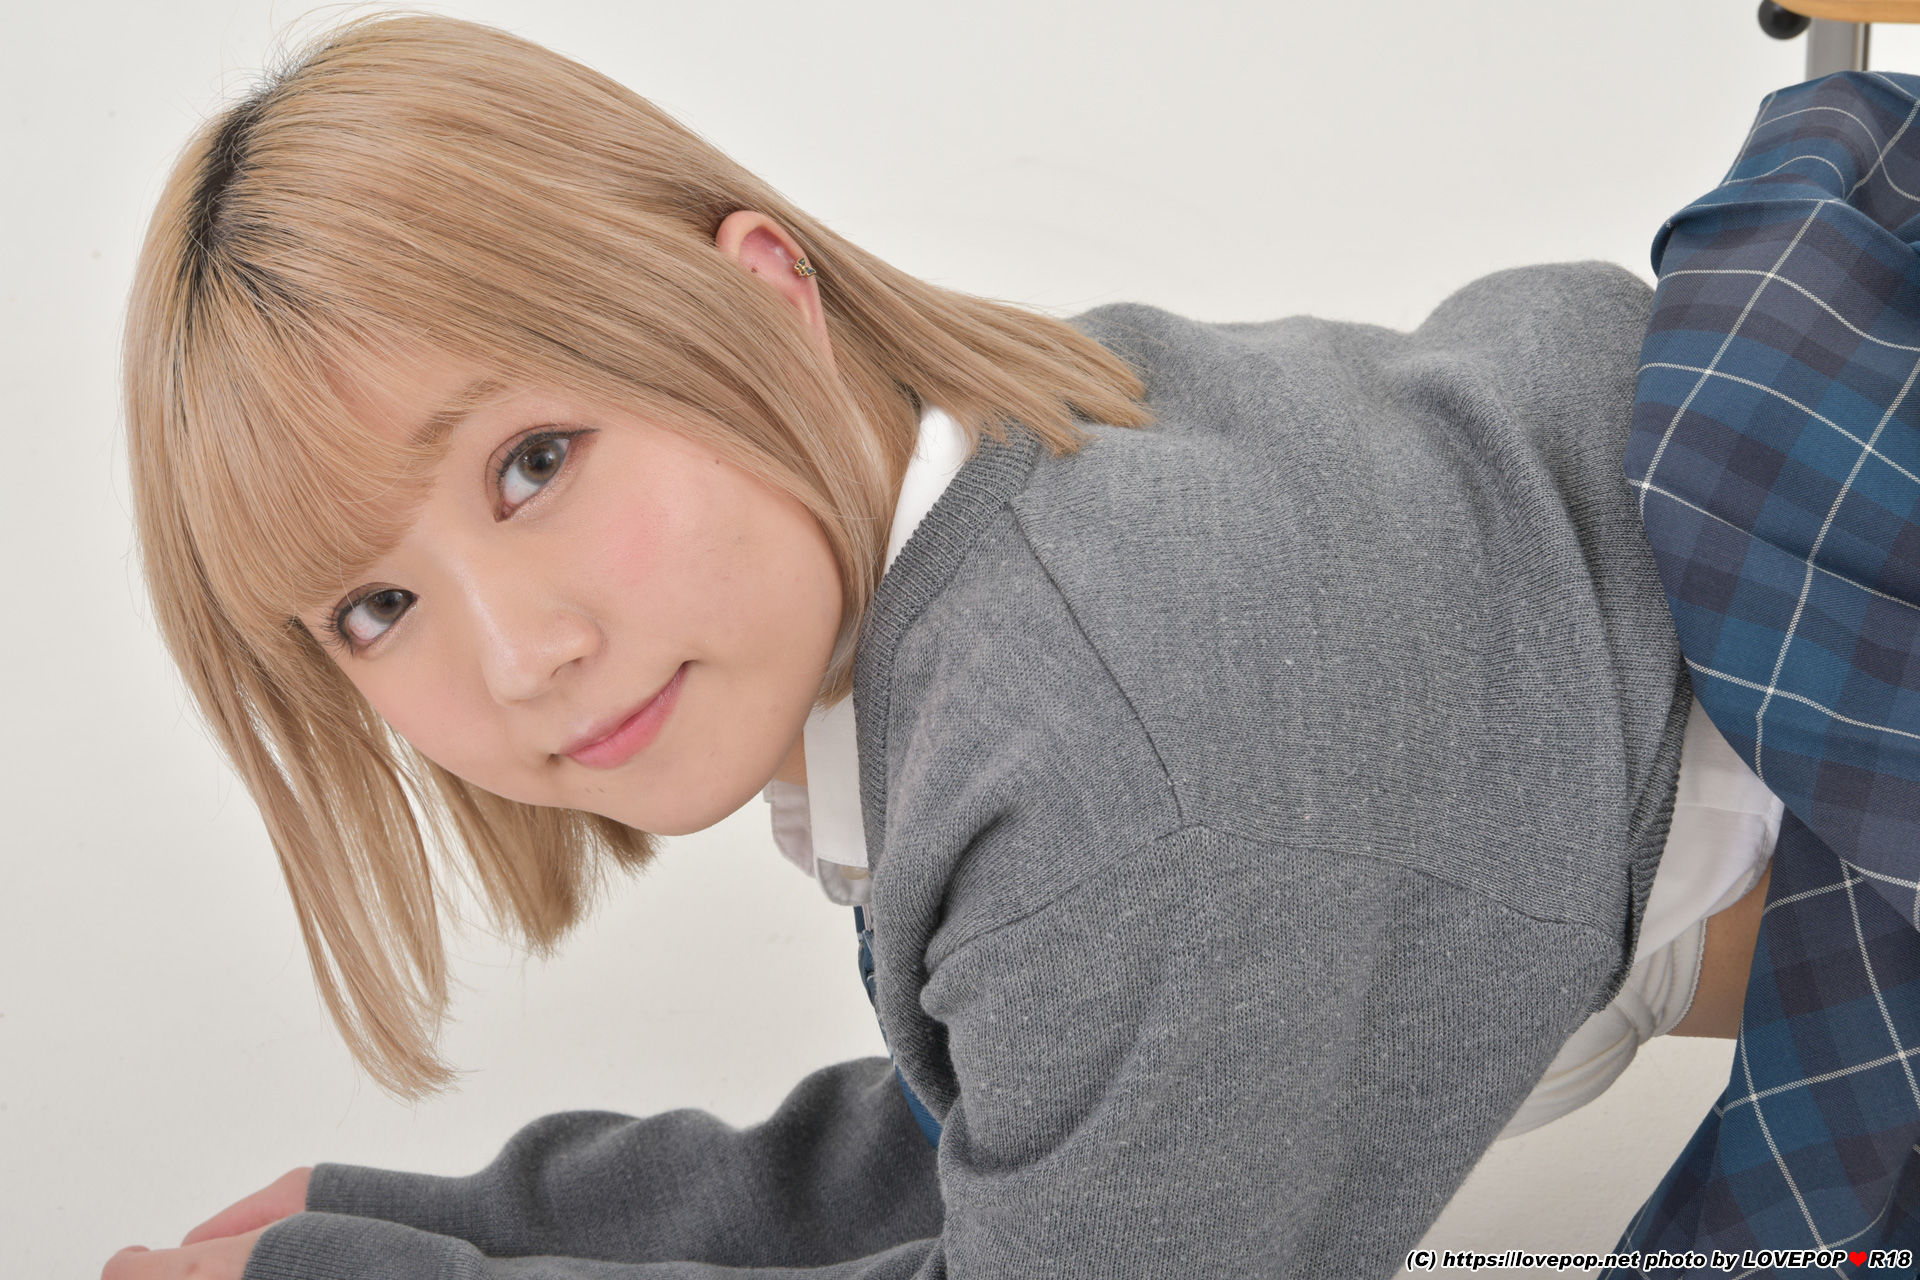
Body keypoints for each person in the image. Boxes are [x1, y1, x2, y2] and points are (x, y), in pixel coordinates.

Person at [101, 12, 1799, 1279]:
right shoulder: (1017, 538)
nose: (518, 654)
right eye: (376, 607)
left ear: (762, 293)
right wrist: (458, 1219)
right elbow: (1029, 1117)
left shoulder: (1124, 760)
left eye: (534, 462)